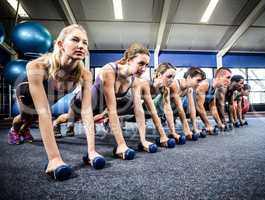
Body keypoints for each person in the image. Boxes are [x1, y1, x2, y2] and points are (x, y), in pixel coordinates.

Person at [7, 24, 105, 181]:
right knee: (27, 116)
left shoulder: (85, 74)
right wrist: (54, 159)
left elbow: (86, 112)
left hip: (52, 95)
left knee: (35, 118)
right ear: (60, 44)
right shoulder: (37, 66)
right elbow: (44, 113)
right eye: (75, 40)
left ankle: (25, 131)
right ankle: (15, 128)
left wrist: (92, 151)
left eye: (85, 42)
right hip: (26, 91)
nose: (81, 45)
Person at [54, 43, 176, 160]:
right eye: (141, 64)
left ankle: (69, 126)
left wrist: (143, 140)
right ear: (129, 60)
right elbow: (112, 110)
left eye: (146, 65)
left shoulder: (134, 80)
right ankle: (55, 124)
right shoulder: (110, 71)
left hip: (99, 108)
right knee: (69, 118)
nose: (143, 69)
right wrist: (121, 145)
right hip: (81, 103)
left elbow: (138, 111)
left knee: (85, 119)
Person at [170, 67, 206, 138]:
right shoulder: (175, 84)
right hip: (157, 109)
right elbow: (180, 109)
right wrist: (186, 129)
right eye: (198, 80)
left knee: (185, 103)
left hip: (171, 109)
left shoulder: (189, 89)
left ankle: (172, 119)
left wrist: (195, 128)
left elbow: (192, 108)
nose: (199, 84)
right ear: (189, 77)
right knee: (180, 103)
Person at [194, 67, 232, 134]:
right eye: (228, 77)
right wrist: (207, 125)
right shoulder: (205, 84)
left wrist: (219, 123)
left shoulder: (214, 88)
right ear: (219, 76)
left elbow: (213, 107)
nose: (229, 81)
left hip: (192, 112)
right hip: (180, 110)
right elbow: (199, 107)